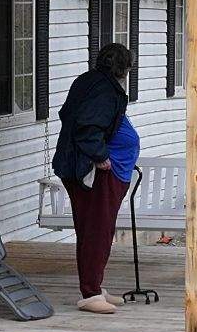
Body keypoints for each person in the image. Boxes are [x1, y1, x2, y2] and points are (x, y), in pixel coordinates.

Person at [53, 42, 137, 314]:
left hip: (79, 166)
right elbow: (87, 126)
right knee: (96, 230)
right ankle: (90, 293)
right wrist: (100, 157)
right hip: (89, 170)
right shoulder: (103, 90)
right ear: (124, 68)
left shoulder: (89, 81)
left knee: (95, 228)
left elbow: (68, 114)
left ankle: (96, 287)